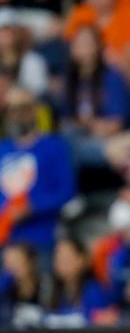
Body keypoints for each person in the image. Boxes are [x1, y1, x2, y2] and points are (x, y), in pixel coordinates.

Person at [0, 85, 75, 252]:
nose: (18, 115)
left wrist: (34, 207)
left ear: (35, 110)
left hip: (42, 238)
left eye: (24, 108)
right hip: (5, 240)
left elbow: (67, 191)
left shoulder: (54, 147)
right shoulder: (2, 149)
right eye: (12, 109)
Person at [44, 236, 112, 326]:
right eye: (58, 258)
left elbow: (104, 319)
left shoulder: (94, 290)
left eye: (66, 258)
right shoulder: (54, 292)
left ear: (82, 260)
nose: (60, 263)